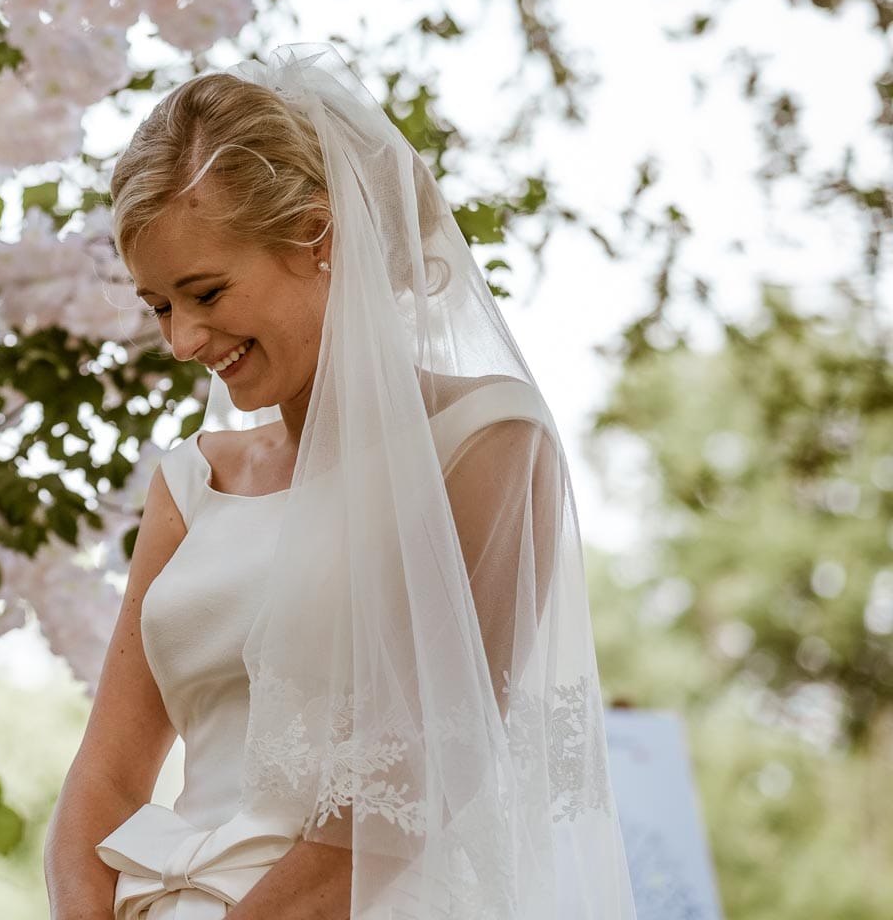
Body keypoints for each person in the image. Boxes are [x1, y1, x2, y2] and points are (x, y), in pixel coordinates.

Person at [45, 47, 637, 919]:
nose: (181, 340)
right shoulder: (190, 485)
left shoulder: (484, 444)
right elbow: (105, 773)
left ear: (318, 237)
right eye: (159, 305)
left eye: (205, 292)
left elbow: (423, 781)